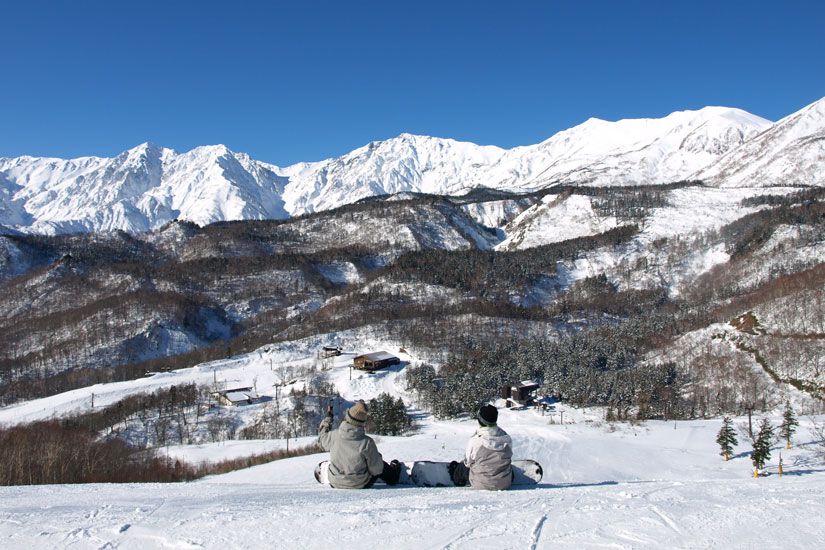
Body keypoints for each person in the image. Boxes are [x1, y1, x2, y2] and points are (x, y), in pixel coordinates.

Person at [317, 400, 401, 489]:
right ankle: (394, 475)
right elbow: (376, 470)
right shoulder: (366, 442)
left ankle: (339, 473)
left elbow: (321, 439)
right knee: (379, 463)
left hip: (335, 482)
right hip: (359, 484)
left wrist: (328, 418)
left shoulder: (334, 436)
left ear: (347, 417)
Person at [449, 404, 513, 490]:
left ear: (480, 421)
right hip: (505, 484)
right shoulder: (506, 438)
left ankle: (457, 478)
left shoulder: (476, 441)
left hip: (481, 484)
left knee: (463, 467)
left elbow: (468, 462)